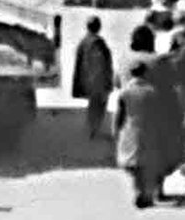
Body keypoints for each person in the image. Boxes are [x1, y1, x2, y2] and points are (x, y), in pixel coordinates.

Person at [114, 58, 166, 209]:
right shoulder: (153, 92)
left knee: (133, 164)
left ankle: (139, 191)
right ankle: (146, 193)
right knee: (147, 164)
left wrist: (116, 130)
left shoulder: (125, 92)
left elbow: (120, 115)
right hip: (149, 130)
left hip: (130, 130)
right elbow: (158, 114)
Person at [71, 16, 115, 140]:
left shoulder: (84, 41)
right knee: (98, 104)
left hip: (87, 80)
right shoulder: (97, 42)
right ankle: (93, 129)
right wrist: (105, 81)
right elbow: (100, 63)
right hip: (97, 80)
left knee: (93, 104)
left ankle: (92, 129)